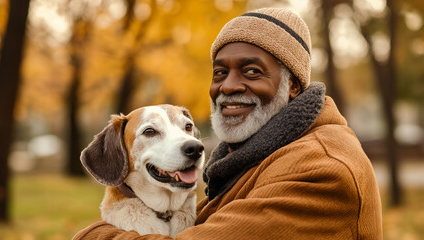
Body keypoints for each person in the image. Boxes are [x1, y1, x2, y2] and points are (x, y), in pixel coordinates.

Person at [73, 8, 382, 239]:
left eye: (252, 71)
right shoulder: (260, 155)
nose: (228, 86)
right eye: (220, 72)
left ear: (293, 86)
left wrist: (93, 234)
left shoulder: (324, 169)